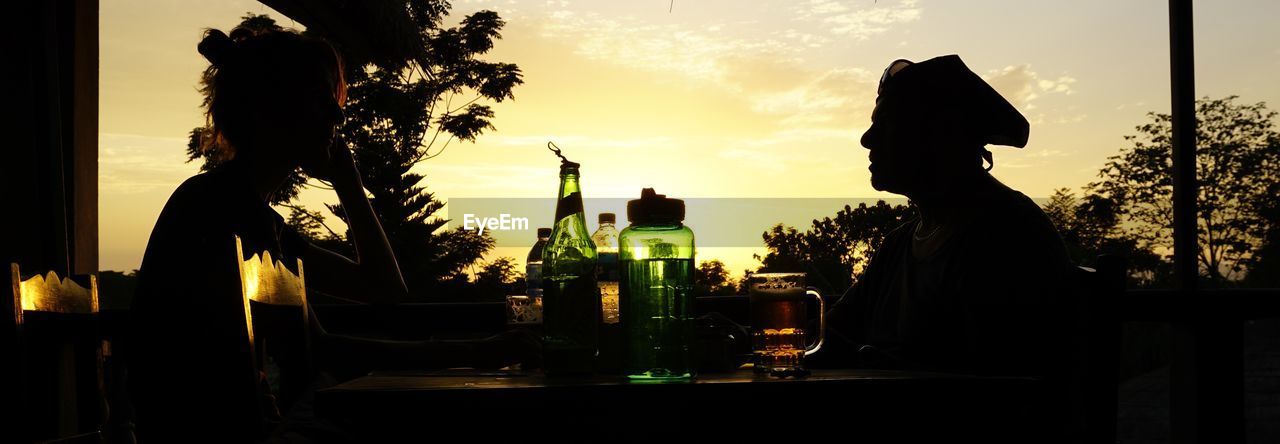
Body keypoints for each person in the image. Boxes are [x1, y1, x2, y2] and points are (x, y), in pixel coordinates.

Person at [127, 25, 537, 442]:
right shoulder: (225, 210)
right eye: (323, 100)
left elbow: (383, 288)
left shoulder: (244, 212)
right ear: (275, 107)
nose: (338, 115)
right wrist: (479, 352)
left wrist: (349, 181)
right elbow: (324, 350)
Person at [816, 55, 1073, 381]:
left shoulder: (1007, 236)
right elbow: (827, 334)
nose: (867, 139)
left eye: (887, 124)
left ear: (938, 136)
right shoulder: (898, 245)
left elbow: (997, 387)